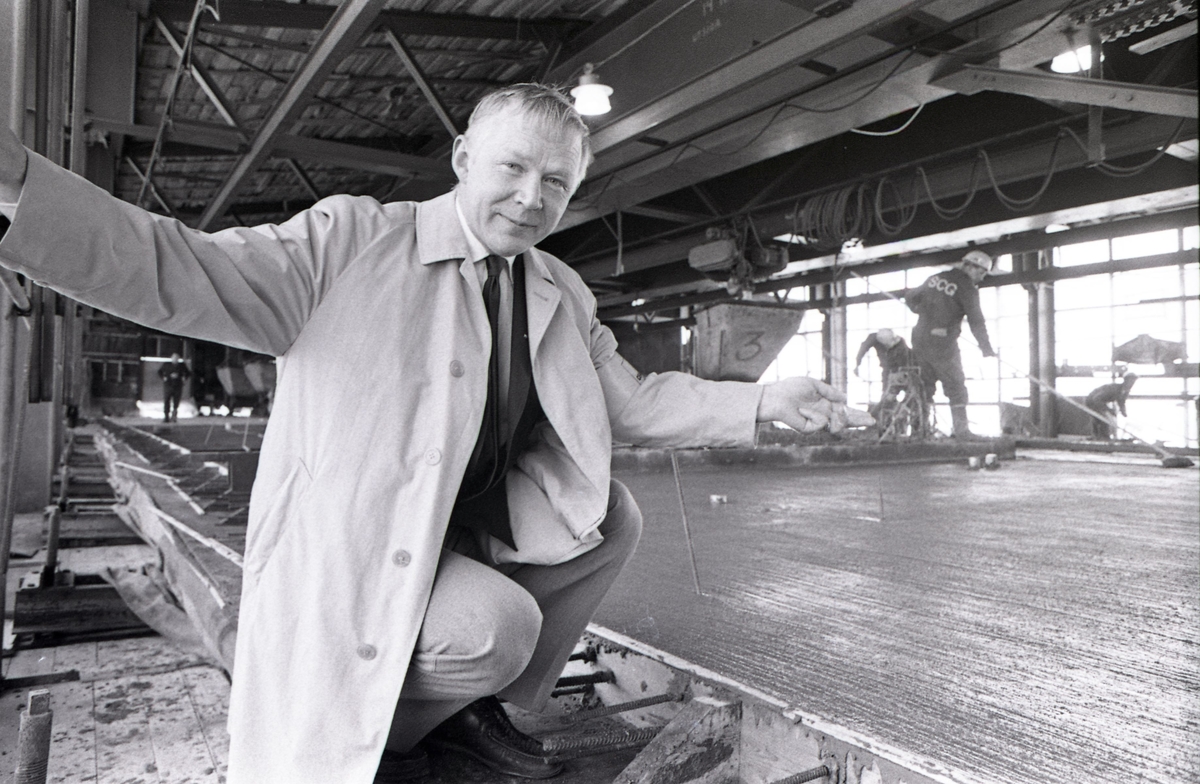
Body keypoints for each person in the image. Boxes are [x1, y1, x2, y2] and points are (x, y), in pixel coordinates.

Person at [0, 84, 872, 784]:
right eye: (512, 168)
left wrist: (763, 400)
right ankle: (396, 736)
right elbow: (178, 264)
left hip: (460, 526)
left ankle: (465, 712)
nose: (531, 197)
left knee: (612, 514)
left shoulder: (558, 290)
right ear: (462, 159)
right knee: (498, 626)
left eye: (556, 183)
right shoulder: (349, 242)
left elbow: (631, 403)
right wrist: (20, 183)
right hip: (359, 544)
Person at [905, 249, 997, 439]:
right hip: (942, 343)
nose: (981, 278)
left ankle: (918, 432)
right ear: (972, 267)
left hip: (919, 339)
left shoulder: (936, 277)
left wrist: (921, 311)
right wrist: (986, 347)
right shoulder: (967, 287)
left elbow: (910, 297)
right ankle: (962, 431)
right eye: (982, 273)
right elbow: (976, 320)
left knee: (924, 386)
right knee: (956, 387)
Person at [853, 328, 913, 392]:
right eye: (886, 345)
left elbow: (906, 359)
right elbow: (863, 349)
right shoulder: (873, 338)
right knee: (886, 389)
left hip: (899, 369)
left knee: (906, 388)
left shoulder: (900, 343)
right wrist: (857, 364)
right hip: (887, 369)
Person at [1085, 373, 1137, 440]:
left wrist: (1124, 412)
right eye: (1131, 381)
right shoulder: (1114, 388)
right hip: (1091, 400)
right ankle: (1103, 437)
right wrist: (1108, 409)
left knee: (1102, 417)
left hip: (1100, 400)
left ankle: (1100, 436)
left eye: (1133, 382)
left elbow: (1121, 402)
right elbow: (1096, 398)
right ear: (1125, 380)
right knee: (1102, 418)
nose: (1132, 384)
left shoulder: (1125, 391)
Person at [157, 352, 191, 423]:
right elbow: (159, 372)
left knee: (176, 401)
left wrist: (184, 378)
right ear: (171, 358)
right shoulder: (166, 364)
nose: (175, 359)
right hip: (168, 385)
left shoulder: (182, 365)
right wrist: (164, 378)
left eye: (176, 358)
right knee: (167, 400)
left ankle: (174, 416)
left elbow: (188, 373)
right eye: (174, 358)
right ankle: (166, 416)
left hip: (178, 385)